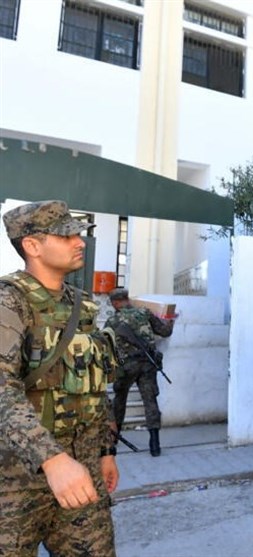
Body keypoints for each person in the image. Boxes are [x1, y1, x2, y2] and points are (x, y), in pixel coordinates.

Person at [0, 200, 119, 555]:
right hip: (13, 481)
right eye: (65, 235)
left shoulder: (81, 305)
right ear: (32, 246)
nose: (78, 242)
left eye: (78, 234)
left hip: (81, 472)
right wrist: (52, 459)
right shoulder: (9, 302)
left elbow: (94, 381)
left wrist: (105, 451)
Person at [106, 287, 175, 457]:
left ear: (115, 303)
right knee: (150, 400)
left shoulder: (112, 321)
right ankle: (155, 444)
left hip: (126, 366)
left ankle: (114, 439)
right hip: (147, 364)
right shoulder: (144, 313)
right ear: (127, 299)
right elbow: (165, 332)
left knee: (119, 399)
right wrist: (171, 321)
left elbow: (106, 346)